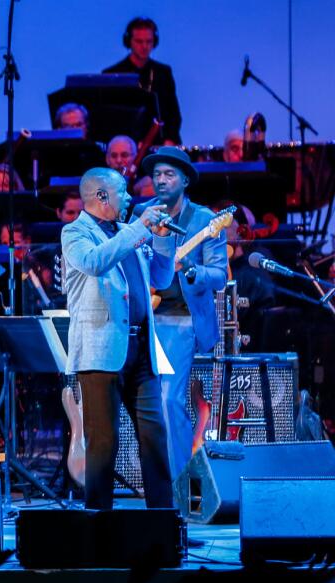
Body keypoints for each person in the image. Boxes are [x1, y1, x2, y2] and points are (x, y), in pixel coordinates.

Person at [60, 167, 177, 510]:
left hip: (140, 349)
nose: (129, 199)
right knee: (103, 443)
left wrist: (163, 237)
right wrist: (140, 228)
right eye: (123, 191)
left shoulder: (126, 231)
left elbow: (162, 276)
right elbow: (95, 262)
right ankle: (99, 524)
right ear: (101, 196)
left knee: (155, 436)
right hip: (101, 352)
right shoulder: (75, 233)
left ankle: (163, 520)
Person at [137, 147, 228, 478]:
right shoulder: (141, 214)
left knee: (169, 402)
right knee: (146, 406)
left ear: (185, 180)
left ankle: (177, 485)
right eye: (156, 174)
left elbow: (220, 274)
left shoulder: (204, 220)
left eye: (168, 174)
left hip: (181, 321)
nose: (160, 180)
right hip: (145, 319)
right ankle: (155, 481)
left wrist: (193, 272)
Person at [104, 17, 183, 145]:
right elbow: (110, 119)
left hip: (160, 143)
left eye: (149, 41)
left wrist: (170, 139)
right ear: (129, 41)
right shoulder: (113, 74)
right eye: (139, 41)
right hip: (127, 147)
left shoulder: (163, 72)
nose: (145, 46)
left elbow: (173, 113)